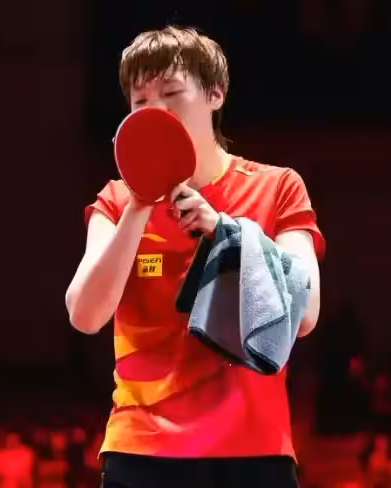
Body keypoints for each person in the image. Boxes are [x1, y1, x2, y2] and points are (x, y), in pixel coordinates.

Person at [65, 25, 326, 488]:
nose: (157, 111)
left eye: (171, 93)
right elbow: (85, 315)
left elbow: (305, 314)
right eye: (141, 102)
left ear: (215, 94)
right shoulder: (116, 202)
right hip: (142, 451)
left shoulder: (278, 188)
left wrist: (225, 233)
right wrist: (139, 206)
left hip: (252, 452)